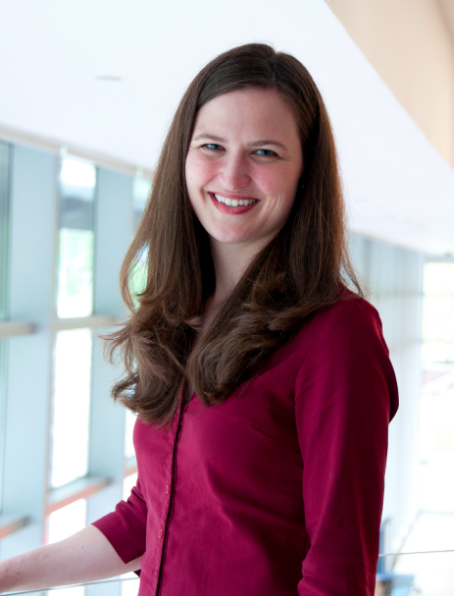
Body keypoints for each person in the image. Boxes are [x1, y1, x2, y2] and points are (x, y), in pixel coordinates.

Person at [0, 43, 398, 595]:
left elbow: (339, 573)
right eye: (212, 145)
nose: (232, 175)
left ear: (306, 172)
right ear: (182, 157)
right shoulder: (181, 313)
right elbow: (153, 516)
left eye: (264, 152)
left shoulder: (338, 334)